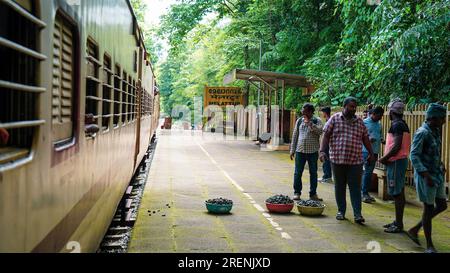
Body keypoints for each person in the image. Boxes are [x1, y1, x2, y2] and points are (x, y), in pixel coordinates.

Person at [320, 97, 375, 224]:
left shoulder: (360, 122)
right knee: (339, 187)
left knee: (355, 188)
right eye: (351, 106)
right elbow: (326, 135)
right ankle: (341, 211)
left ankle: (357, 214)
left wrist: (371, 153)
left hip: (355, 161)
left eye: (355, 107)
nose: (353, 109)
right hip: (337, 160)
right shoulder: (334, 119)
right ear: (344, 106)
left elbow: (365, 138)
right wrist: (322, 151)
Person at [407, 103, 448, 253]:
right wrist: (425, 174)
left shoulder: (435, 131)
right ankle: (429, 245)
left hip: (436, 175)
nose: (444, 121)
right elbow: (414, 155)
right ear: (434, 118)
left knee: (442, 205)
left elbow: (433, 152)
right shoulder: (422, 133)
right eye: (442, 118)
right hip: (426, 177)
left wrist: (441, 164)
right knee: (428, 208)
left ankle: (415, 229)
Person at [378, 99, 411, 233]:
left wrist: (384, 158)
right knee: (399, 191)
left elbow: (397, 146)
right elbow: (397, 143)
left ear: (392, 111)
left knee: (397, 193)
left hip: (396, 161)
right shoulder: (401, 124)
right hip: (398, 161)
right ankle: (398, 221)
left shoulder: (397, 125)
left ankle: (398, 224)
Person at [290, 103, 324, 201]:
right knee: (297, 173)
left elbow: (320, 132)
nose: (302, 112)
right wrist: (292, 150)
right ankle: (297, 193)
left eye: (304, 110)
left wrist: (310, 124)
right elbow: (295, 135)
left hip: (312, 151)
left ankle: (313, 194)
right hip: (300, 151)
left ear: (310, 111)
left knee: (313, 173)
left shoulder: (317, 120)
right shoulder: (299, 121)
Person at [361, 106, 384, 203]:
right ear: (373, 114)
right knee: (367, 172)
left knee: (369, 173)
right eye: (379, 115)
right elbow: (359, 136)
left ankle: (365, 192)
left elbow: (380, 135)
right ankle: (364, 194)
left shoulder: (379, 124)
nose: (381, 118)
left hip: (375, 151)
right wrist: (368, 139)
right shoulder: (364, 122)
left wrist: (383, 140)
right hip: (365, 151)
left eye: (381, 116)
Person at [319, 107, 332, 183]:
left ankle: (327, 176)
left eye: (322, 112)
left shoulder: (329, 121)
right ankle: (326, 176)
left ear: (325, 113)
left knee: (326, 160)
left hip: (327, 144)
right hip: (327, 144)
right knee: (326, 160)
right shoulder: (328, 120)